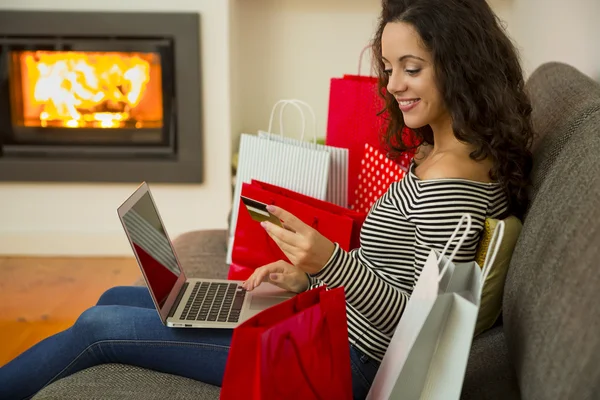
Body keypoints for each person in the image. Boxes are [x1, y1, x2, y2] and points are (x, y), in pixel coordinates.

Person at [0, 0, 534, 399]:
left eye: (410, 68)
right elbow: (394, 272)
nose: (393, 85)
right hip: (331, 323)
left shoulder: (453, 187)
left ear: (460, 65)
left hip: (346, 359)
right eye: (389, 68)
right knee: (117, 296)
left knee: (98, 329)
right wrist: (307, 276)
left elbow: (409, 327)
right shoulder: (447, 152)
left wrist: (327, 260)